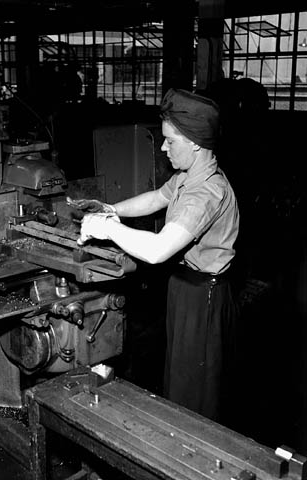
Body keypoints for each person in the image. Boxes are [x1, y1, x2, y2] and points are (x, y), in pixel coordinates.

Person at [71, 88, 240, 422]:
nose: (163, 148)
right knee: (179, 377)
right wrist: (110, 210)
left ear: (194, 142)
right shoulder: (188, 176)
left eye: (169, 141)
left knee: (196, 391)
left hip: (203, 297)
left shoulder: (206, 192)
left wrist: (107, 229)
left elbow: (158, 250)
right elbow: (155, 198)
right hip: (185, 288)